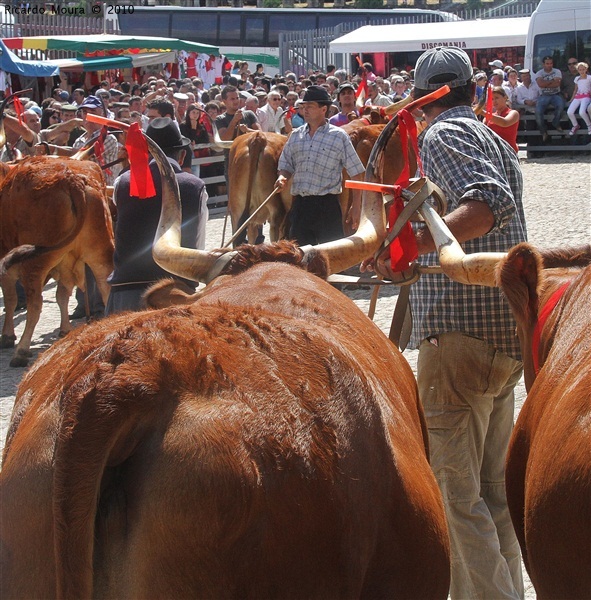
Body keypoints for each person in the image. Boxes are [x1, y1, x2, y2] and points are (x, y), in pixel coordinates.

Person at [364, 47, 527, 599]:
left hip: (460, 331)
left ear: (425, 96)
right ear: (471, 89)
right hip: (502, 333)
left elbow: (485, 205)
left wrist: (408, 248)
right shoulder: (487, 134)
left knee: (457, 496)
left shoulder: (442, 135)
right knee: (490, 493)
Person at [105, 117, 209, 315]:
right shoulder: (195, 187)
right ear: (181, 156)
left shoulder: (122, 183)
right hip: (175, 294)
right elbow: (198, 243)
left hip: (125, 294)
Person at [274, 85, 365, 246]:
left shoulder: (338, 137)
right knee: (299, 257)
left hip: (327, 207)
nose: (305, 110)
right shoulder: (296, 135)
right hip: (300, 206)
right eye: (303, 107)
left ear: (324, 109)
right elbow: (286, 164)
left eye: (310, 106)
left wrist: (356, 206)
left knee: (330, 258)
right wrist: (282, 177)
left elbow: (357, 173)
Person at [535, 55, 565, 142]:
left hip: (556, 94)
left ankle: (555, 122)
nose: (549, 65)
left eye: (551, 63)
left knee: (560, 106)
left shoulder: (557, 71)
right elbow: (540, 85)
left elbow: (557, 84)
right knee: (538, 111)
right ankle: (543, 131)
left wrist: (545, 83)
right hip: (543, 95)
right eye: (547, 63)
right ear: (543, 64)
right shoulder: (539, 73)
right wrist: (552, 81)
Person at [484, 86, 520, 152]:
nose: (494, 101)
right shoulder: (488, 117)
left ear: (505, 97)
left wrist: (483, 112)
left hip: (509, 151)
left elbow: (504, 122)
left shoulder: (513, 113)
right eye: (492, 99)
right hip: (494, 152)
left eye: (496, 98)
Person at [566, 61, 591, 135]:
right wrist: (571, 99)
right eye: (580, 70)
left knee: (582, 112)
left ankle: (589, 125)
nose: (582, 71)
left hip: (586, 97)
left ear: (586, 69)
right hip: (578, 97)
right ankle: (575, 125)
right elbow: (575, 90)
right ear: (578, 70)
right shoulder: (577, 78)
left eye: (583, 69)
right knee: (569, 112)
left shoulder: (589, 78)